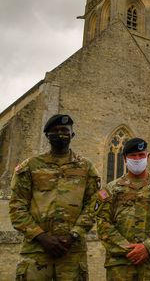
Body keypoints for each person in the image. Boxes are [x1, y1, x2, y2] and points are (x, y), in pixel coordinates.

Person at [9, 114, 100, 280]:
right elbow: (16, 207)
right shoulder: (30, 166)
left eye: (65, 130)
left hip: (72, 253)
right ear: (47, 136)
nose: (60, 134)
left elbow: (94, 205)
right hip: (36, 250)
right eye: (55, 131)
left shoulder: (87, 168)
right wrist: (41, 237)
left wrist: (74, 235)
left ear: (72, 135)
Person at [96, 137, 150, 280]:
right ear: (125, 158)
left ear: (148, 157)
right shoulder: (110, 189)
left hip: (149, 264)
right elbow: (102, 222)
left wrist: (147, 246)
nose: (137, 159)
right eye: (133, 155)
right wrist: (128, 248)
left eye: (141, 155)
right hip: (119, 265)